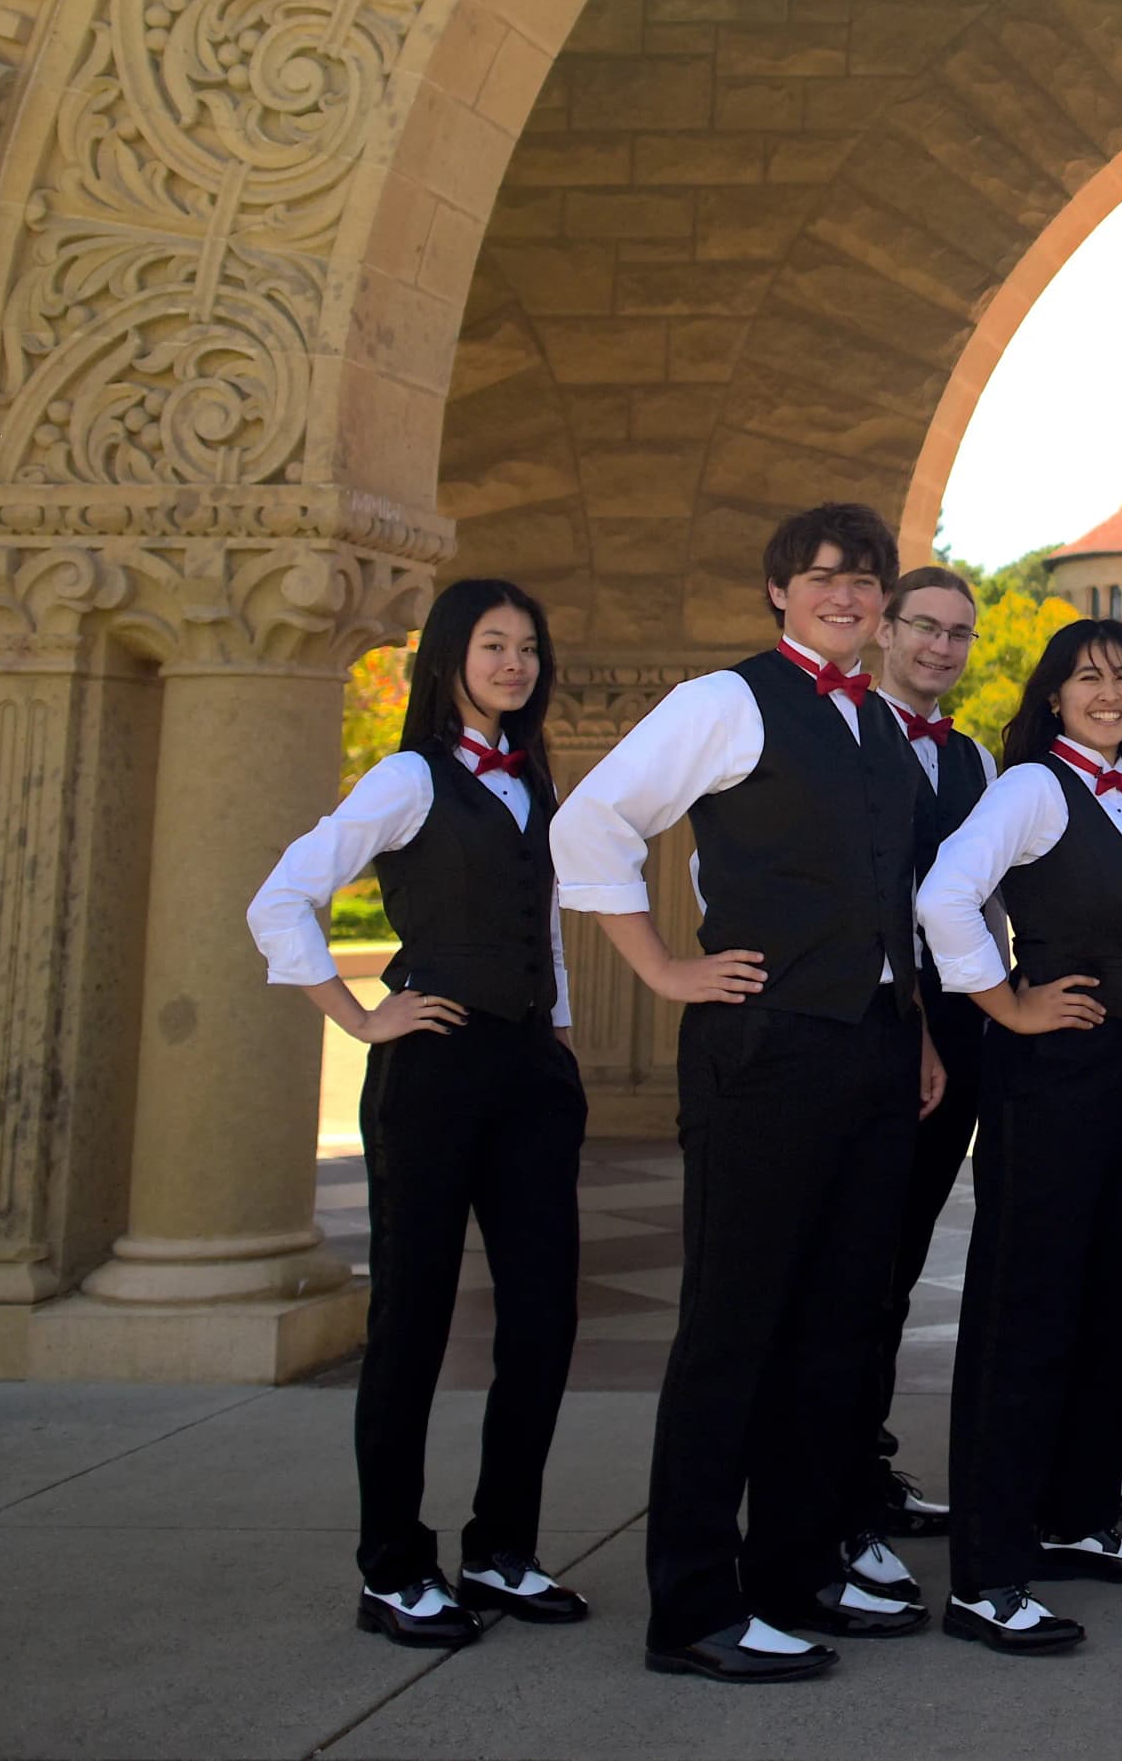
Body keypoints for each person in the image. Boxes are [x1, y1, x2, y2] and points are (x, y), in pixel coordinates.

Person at [553, 504, 931, 1683]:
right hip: (763, 1050)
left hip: (871, 1047)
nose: (847, 596)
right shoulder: (728, 702)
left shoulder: (882, 723)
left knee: (836, 1327)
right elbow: (591, 820)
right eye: (823, 578)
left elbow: (891, 895)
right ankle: (694, 1606)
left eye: (865, 581)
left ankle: (798, 1566)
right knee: (734, 1329)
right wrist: (665, 965)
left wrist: (909, 1021)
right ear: (779, 591)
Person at [248, 578, 587, 1649]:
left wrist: (559, 1036)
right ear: (449, 658)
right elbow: (280, 895)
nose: (515, 664)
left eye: (528, 647)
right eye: (495, 645)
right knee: (414, 1324)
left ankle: (501, 1549)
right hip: (433, 1068)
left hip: (528, 1073)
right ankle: (394, 1566)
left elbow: (545, 923)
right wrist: (358, 1016)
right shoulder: (409, 776)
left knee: (543, 1321)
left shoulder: (534, 773)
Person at [915, 618, 1122, 1654]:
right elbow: (944, 894)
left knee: (1112, 1300)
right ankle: (988, 1574)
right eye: (1087, 678)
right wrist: (1008, 1004)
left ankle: (1077, 1519)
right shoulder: (1034, 788)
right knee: (1025, 1311)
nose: (1109, 692)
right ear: (1051, 698)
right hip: (1053, 1077)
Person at [859, 564, 995, 1552]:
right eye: (925, 627)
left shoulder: (976, 760)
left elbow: (984, 903)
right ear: (884, 629)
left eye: (958, 633)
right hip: (876, 1027)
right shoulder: (845, 738)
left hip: (958, 1029)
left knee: (897, 1258)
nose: (940, 647)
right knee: (854, 1267)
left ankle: (864, 1457)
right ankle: (830, 1477)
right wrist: (907, 1026)